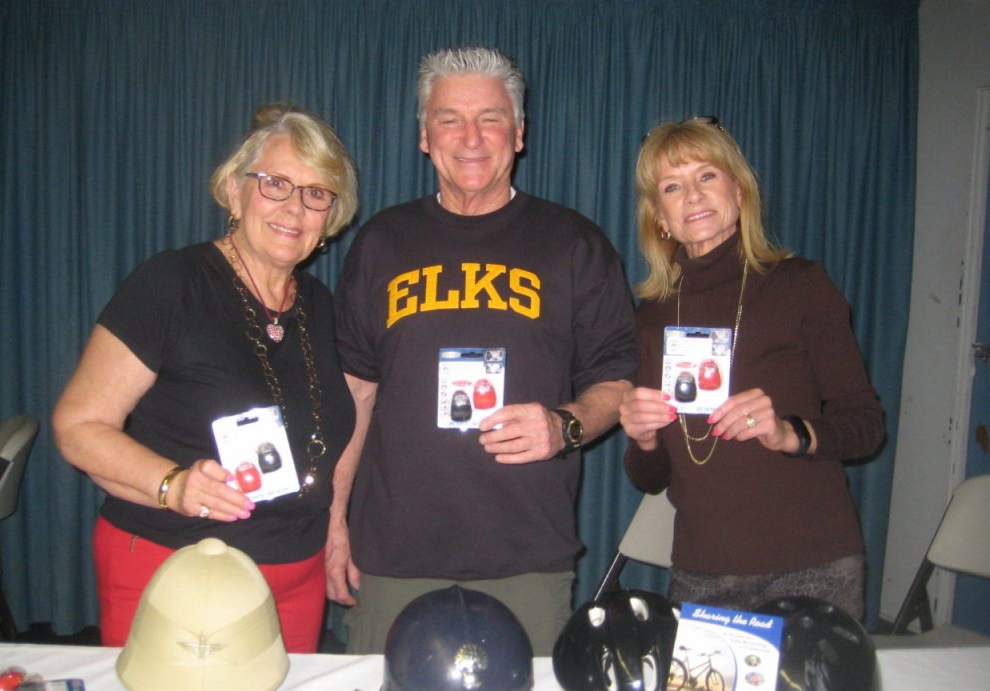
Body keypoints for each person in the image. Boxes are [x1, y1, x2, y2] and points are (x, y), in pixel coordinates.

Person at [328, 46, 636, 655]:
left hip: (525, 555)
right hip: (392, 555)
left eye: (490, 117)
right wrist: (335, 521)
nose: (470, 137)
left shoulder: (574, 243)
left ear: (519, 133)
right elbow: (355, 394)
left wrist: (563, 425)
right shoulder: (382, 242)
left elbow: (620, 381)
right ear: (424, 136)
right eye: (449, 119)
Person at [53, 103, 359, 652]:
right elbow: (78, 426)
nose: (295, 207)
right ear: (234, 191)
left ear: (330, 218)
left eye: (317, 193)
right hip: (180, 568)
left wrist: (334, 524)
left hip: (296, 572)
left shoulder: (317, 303)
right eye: (276, 183)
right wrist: (174, 485)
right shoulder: (172, 284)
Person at [619, 116, 884, 619]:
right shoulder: (652, 317)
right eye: (673, 187)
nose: (693, 196)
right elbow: (650, 478)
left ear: (738, 191)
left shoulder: (800, 285)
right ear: (660, 217)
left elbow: (867, 426)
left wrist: (791, 433)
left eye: (707, 176)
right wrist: (643, 437)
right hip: (703, 571)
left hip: (812, 565)